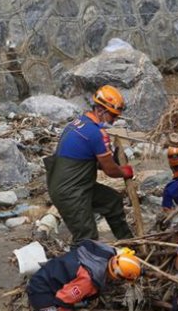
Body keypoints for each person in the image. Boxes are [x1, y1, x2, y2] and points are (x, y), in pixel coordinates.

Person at [45, 85, 135, 245]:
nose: (114, 120)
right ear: (100, 110)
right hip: (71, 193)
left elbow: (92, 160)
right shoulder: (94, 133)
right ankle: (80, 266)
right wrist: (124, 171)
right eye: (112, 116)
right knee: (86, 237)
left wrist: (112, 158)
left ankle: (129, 242)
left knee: (112, 201)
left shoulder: (78, 123)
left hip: (79, 185)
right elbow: (110, 171)